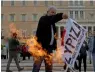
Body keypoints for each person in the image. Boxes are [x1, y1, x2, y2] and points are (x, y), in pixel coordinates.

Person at [32, 6, 68, 72]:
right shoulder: (43, 19)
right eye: (52, 12)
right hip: (40, 48)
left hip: (49, 49)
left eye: (55, 13)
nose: (53, 14)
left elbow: (53, 36)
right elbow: (51, 19)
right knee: (36, 67)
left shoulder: (53, 24)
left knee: (49, 68)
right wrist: (61, 15)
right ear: (47, 12)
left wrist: (55, 47)